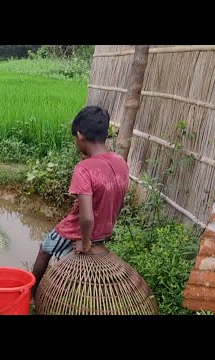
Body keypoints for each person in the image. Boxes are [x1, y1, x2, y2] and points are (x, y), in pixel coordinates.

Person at [31, 105, 129, 299]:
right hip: (106, 230)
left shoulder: (84, 168)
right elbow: (118, 199)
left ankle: (31, 295)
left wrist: (85, 243)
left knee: (45, 249)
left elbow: (86, 217)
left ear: (80, 135)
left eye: (75, 139)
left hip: (80, 231)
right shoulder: (120, 161)